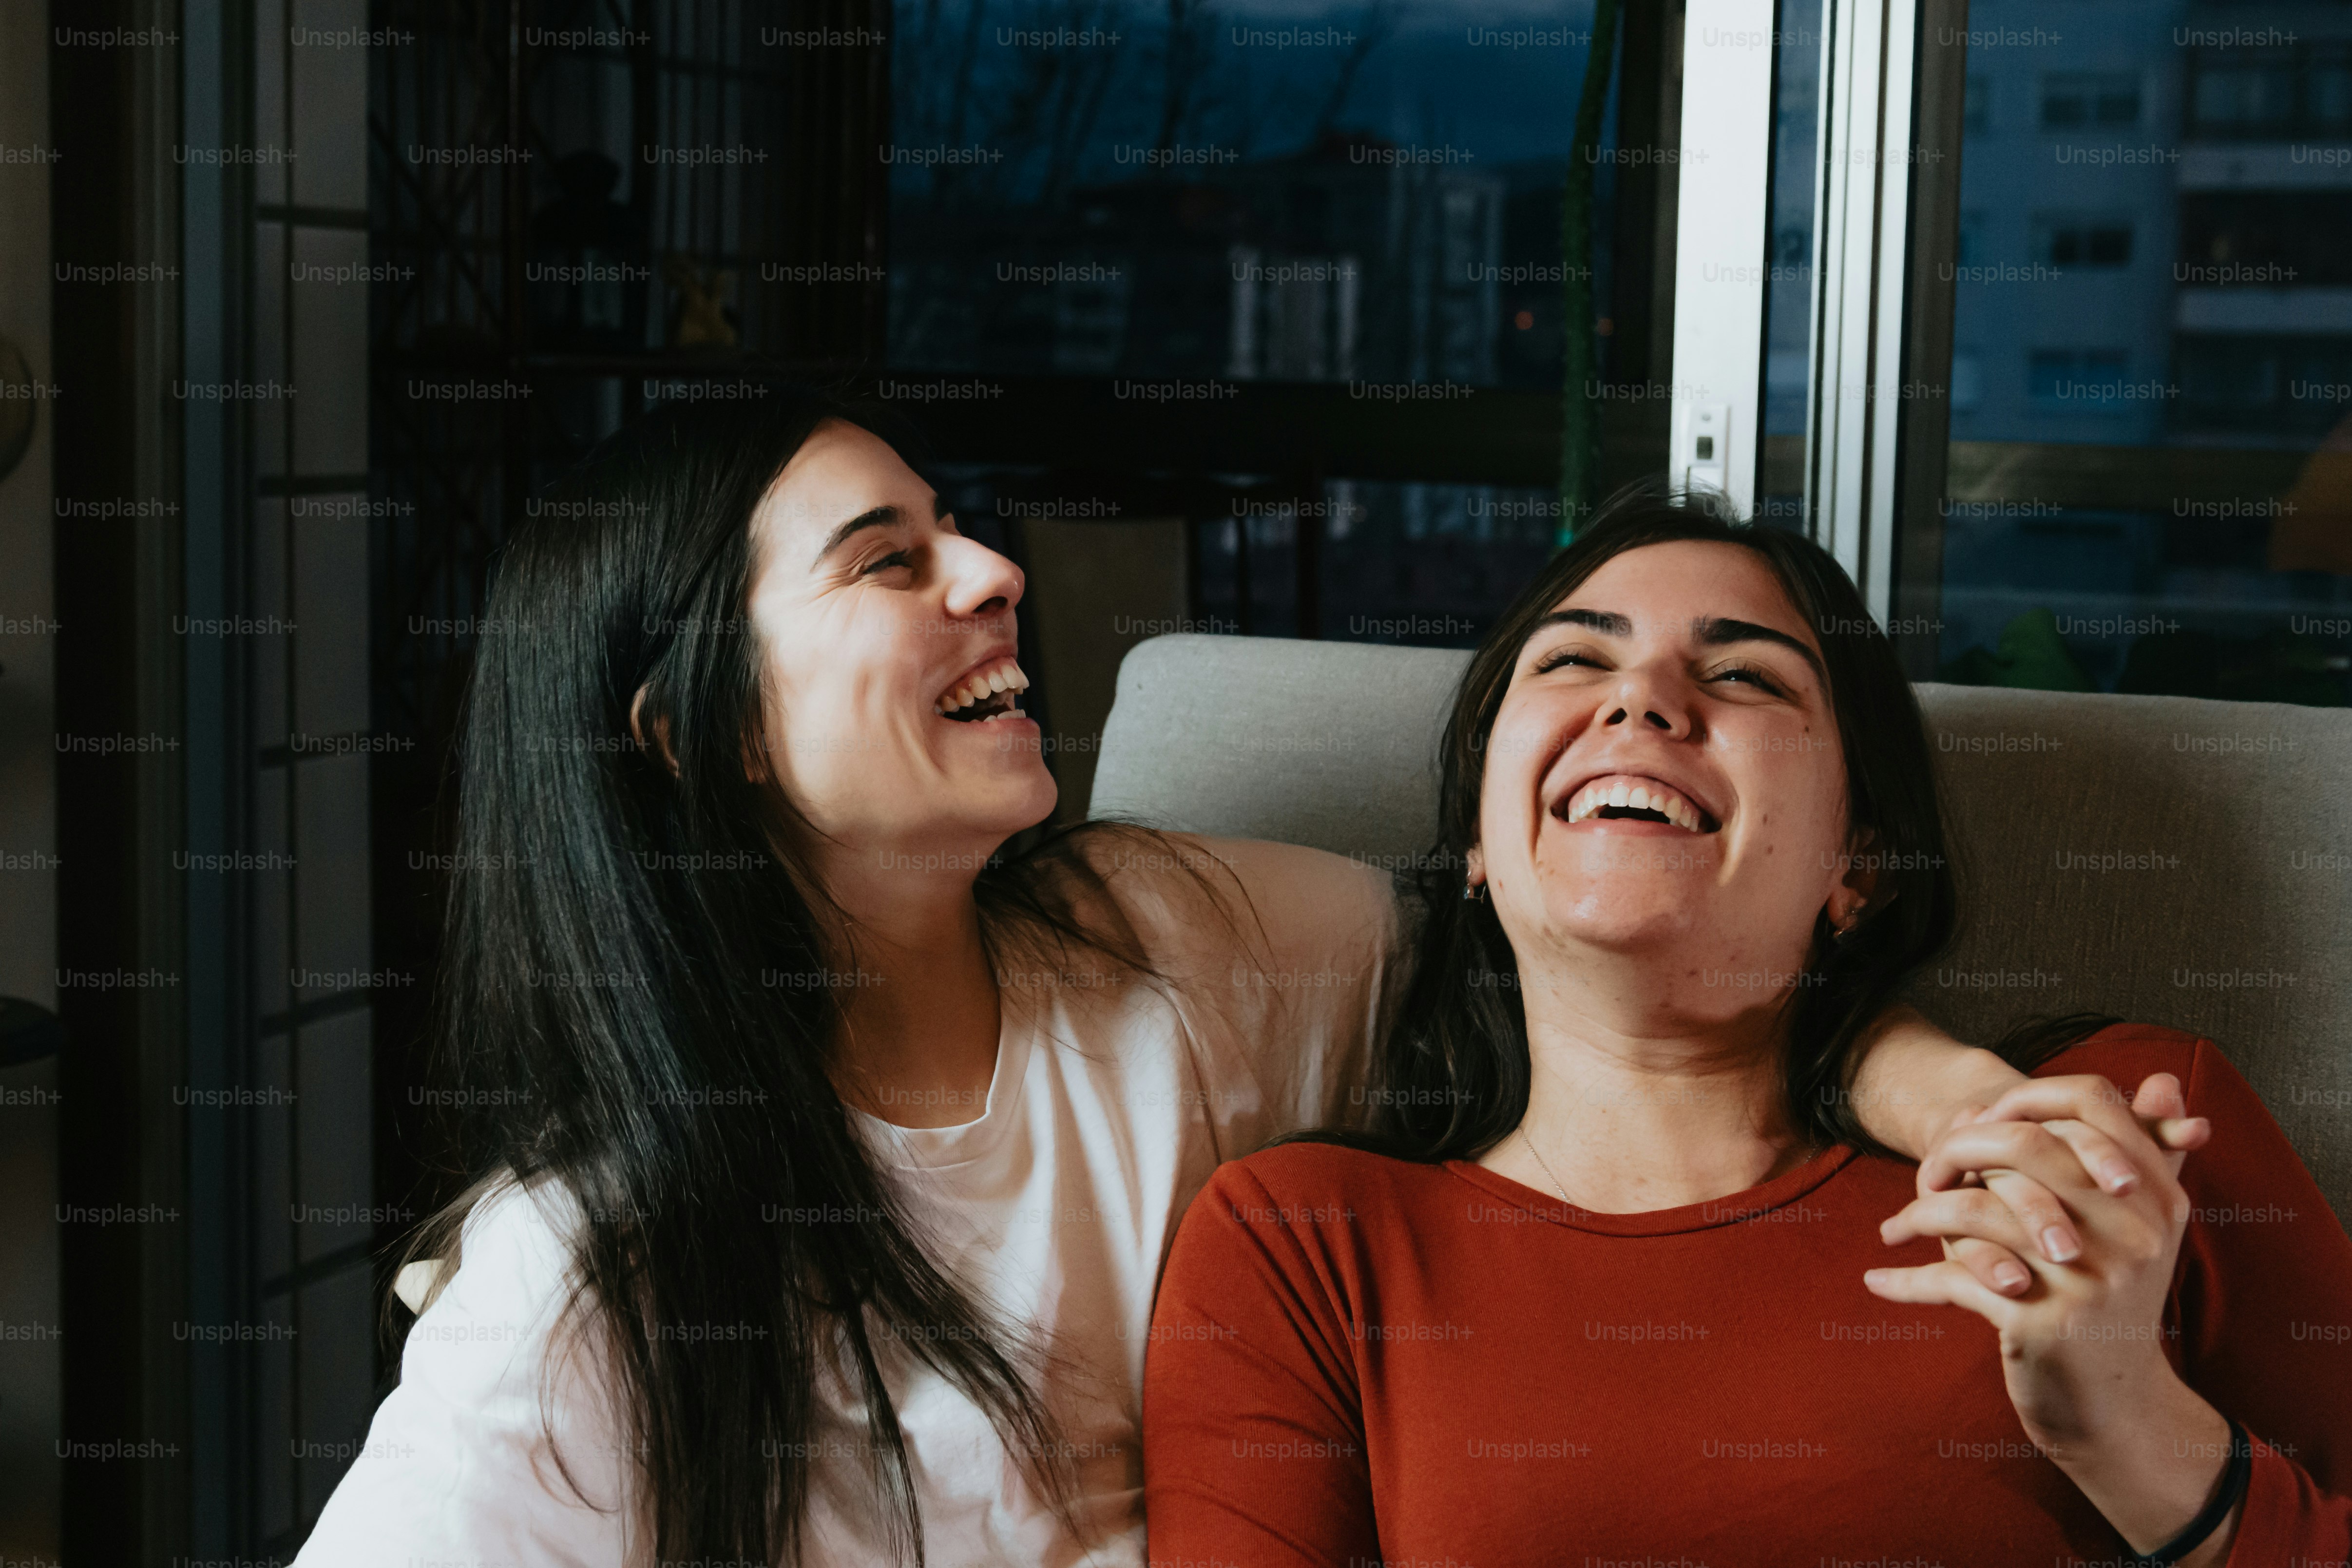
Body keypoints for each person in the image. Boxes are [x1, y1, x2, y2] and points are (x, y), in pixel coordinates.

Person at [294, 402, 2186, 1567]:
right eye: (890, 560)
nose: (991, 570)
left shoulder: (1166, 943)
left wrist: (1944, 1088)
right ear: (692, 733)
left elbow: (1588, 938)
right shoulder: (581, 1275)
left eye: (958, 523)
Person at [1142, 489, 2352, 1567]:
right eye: (1572, 660)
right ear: (1473, 838)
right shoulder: (1305, 1241)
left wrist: (2135, 1433)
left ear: (1857, 866)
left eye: (1744, 675)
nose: (1642, 699)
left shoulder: (2108, 1133)